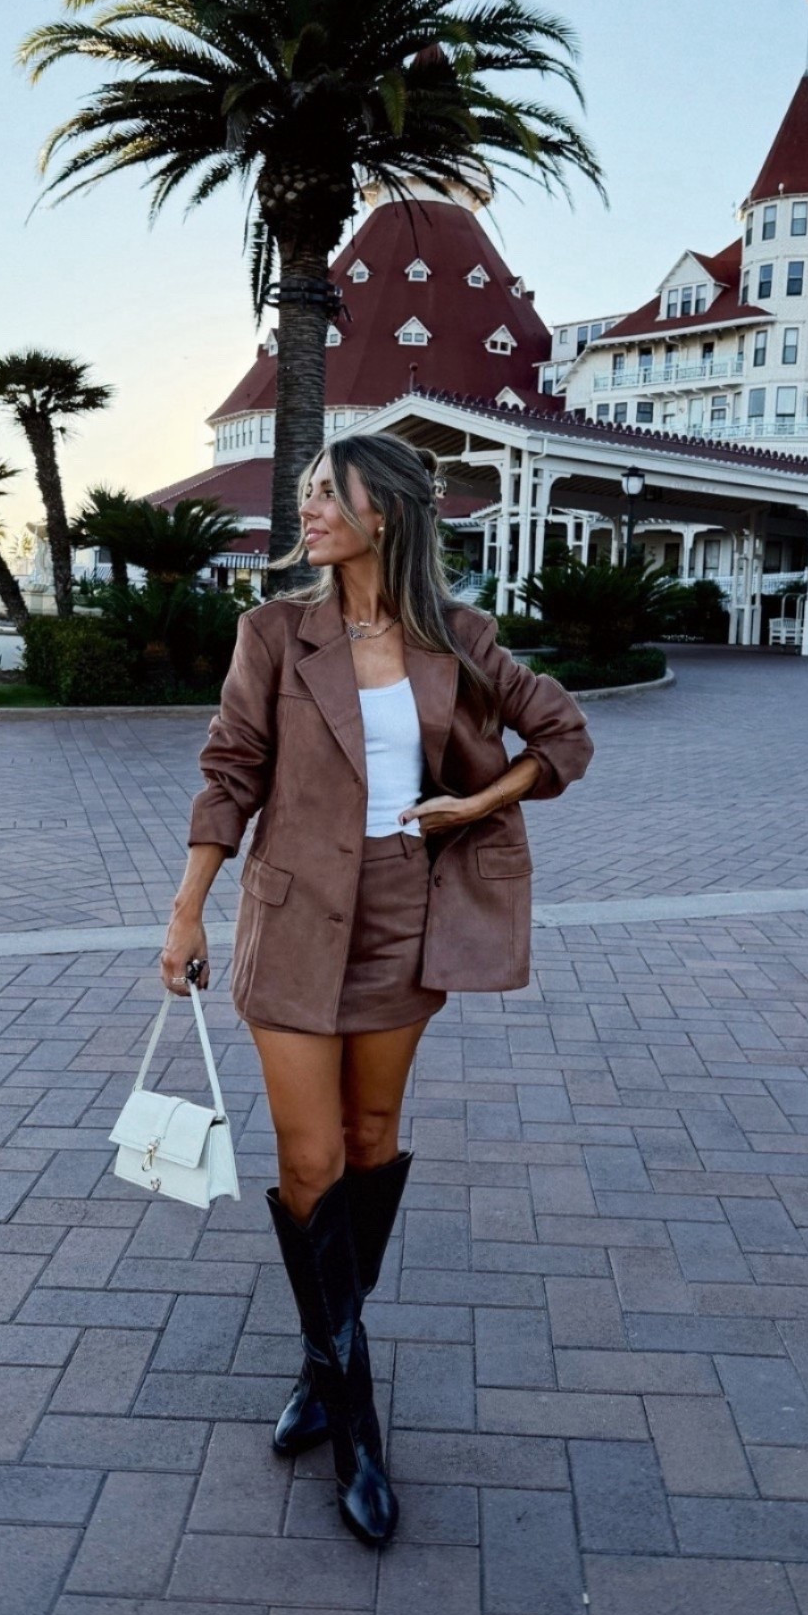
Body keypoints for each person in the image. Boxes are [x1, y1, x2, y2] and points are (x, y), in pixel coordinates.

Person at [161, 430, 592, 1546]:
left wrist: (471, 805)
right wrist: (187, 904)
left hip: (405, 915)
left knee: (370, 1137)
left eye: (327, 494)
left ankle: (319, 1356)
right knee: (308, 1160)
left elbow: (563, 736)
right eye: (304, 492)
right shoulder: (275, 631)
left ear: (386, 512)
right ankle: (355, 1420)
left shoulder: (457, 637)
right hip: (296, 920)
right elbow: (230, 768)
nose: (307, 509)